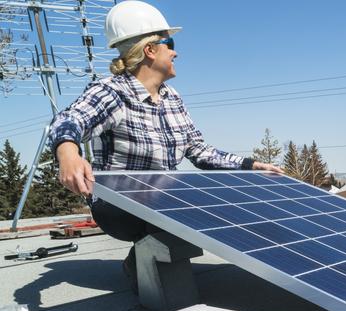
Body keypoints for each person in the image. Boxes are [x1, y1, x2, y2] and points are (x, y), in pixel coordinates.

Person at [49, 0, 281, 290]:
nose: (175, 51)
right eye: (168, 43)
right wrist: (68, 152)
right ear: (149, 50)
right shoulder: (112, 92)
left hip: (164, 198)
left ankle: (143, 259)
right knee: (185, 204)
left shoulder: (173, 98)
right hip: (118, 206)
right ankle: (143, 268)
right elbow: (69, 119)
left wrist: (249, 165)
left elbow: (198, 150)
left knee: (213, 199)